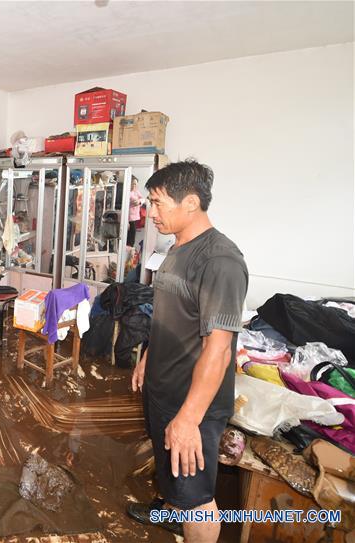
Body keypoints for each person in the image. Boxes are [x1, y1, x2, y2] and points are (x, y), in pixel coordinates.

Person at [127, 160, 248, 542]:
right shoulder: (175, 247)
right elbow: (168, 314)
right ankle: (170, 510)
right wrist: (148, 357)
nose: (151, 213)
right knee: (171, 472)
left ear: (191, 203)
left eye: (159, 203)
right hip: (163, 386)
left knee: (197, 496)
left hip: (192, 402)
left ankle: (187, 516)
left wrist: (189, 420)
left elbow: (220, 349)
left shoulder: (220, 261)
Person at [127, 177, 143, 247]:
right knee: (130, 237)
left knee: (133, 235)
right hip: (129, 218)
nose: (134, 186)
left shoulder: (136, 191)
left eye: (135, 184)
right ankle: (129, 249)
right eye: (132, 184)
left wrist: (139, 201)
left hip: (135, 217)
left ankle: (130, 249)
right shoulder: (127, 193)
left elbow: (143, 199)